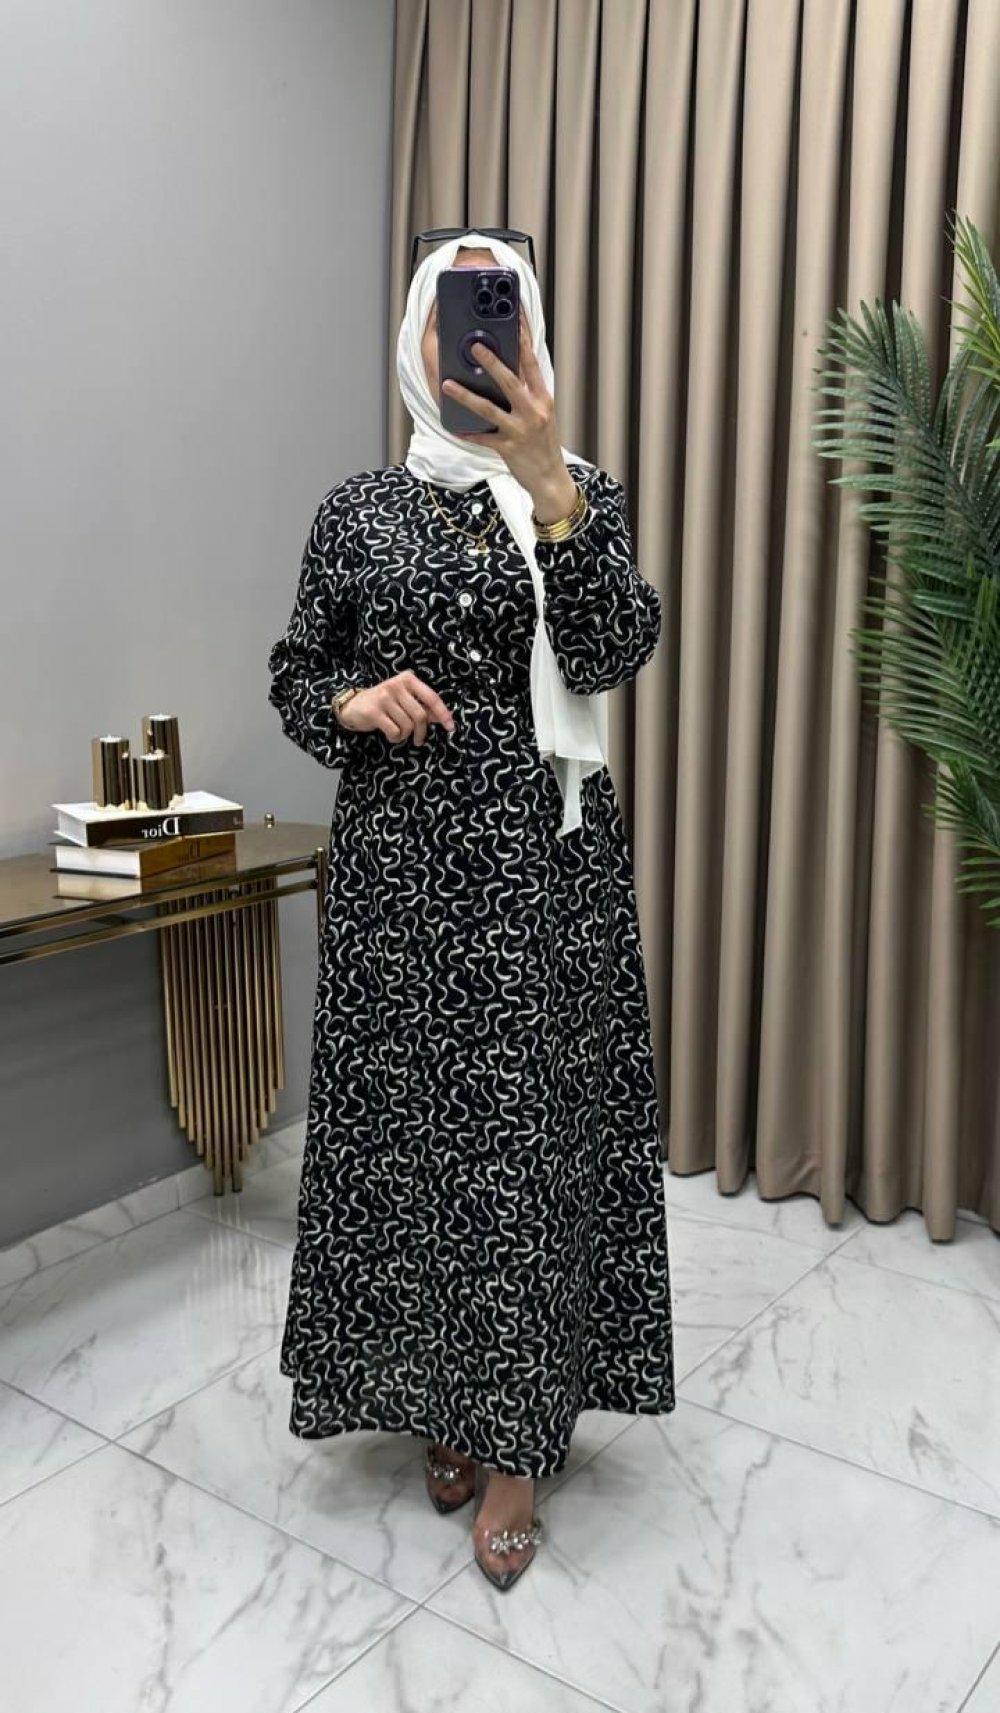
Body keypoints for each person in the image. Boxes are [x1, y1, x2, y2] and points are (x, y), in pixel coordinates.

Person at [267, 229, 675, 1592]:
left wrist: (553, 486)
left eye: (502, 316)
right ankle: (444, 1392)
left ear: (532, 335)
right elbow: (297, 672)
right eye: (458, 316)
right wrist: (352, 701)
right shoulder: (357, 510)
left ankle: (514, 1444)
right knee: (420, 1144)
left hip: (542, 880)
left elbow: (613, 648)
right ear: (418, 337)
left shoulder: (579, 491)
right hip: (399, 879)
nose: (479, 342)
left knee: (525, 1146)